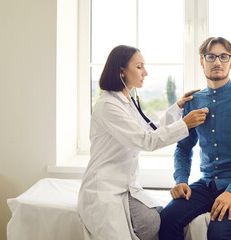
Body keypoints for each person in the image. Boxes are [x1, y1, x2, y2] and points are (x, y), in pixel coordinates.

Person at [77, 45, 209, 240]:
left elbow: (149, 130)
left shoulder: (128, 100)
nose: (145, 72)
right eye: (139, 67)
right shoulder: (108, 106)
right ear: (121, 71)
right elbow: (146, 141)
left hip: (124, 185)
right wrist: (184, 124)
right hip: (103, 189)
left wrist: (177, 108)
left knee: (154, 219)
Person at [159, 37, 231, 240]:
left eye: (224, 57)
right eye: (211, 56)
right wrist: (181, 181)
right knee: (167, 218)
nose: (217, 62)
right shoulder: (193, 102)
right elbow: (183, 148)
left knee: (217, 232)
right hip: (208, 183)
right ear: (202, 62)